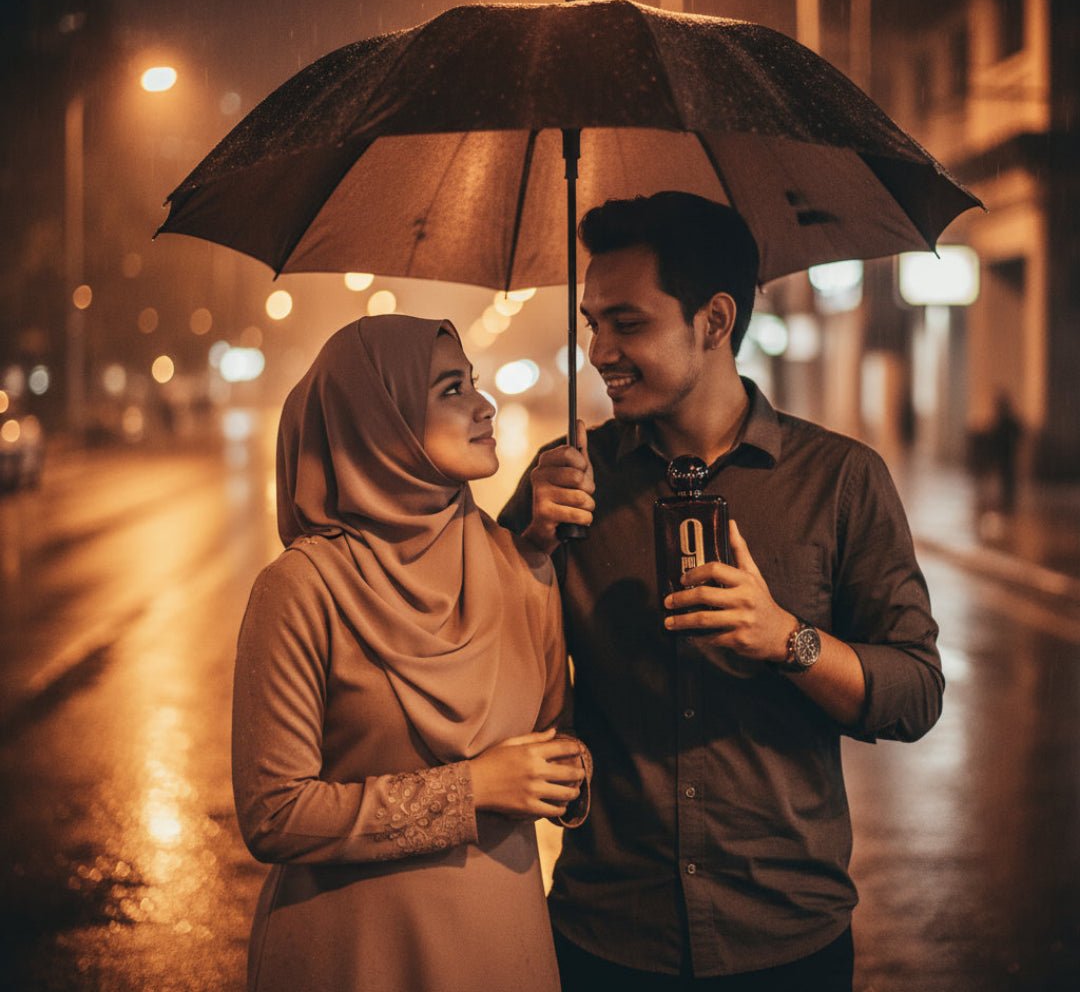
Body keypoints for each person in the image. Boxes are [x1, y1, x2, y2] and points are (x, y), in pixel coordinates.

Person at [500, 192, 943, 990]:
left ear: (713, 321)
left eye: (627, 323)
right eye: (592, 323)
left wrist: (787, 640)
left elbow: (914, 693)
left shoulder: (839, 480)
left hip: (784, 934)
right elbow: (475, 670)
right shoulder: (566, 483)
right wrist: (528, 547)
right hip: (609, 930)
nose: (599, 351)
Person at [232, 315, 589, 992]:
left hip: (502, 946)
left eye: (474, 383)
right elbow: (274, 814)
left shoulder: (519, 567)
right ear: (379, 420)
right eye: (451, 390)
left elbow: (557, 742)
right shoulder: (302, 589)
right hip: (357, 954)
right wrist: (472, 790)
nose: (484, 406)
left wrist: (565, 770)